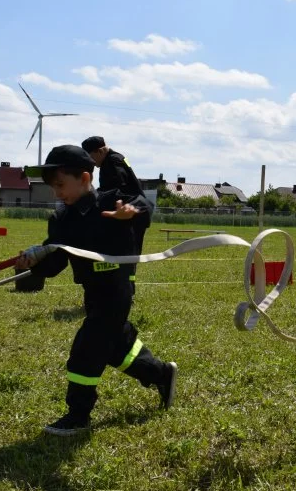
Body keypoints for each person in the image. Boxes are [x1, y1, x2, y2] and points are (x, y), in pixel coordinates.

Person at [18, 145, 177, 437]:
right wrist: (33, 264)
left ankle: (79, 415)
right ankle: (161, 373)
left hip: (117, 289)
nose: (57, 193)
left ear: (85, 178)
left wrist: (131, 212)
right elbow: (56, 263)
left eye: (61, 185)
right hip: (92, 292)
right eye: (53, 188)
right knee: (117, 348)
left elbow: (144, 204)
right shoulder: (61, 220)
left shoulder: (112, 201)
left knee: (87, 349)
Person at [81, 136, 152, 297]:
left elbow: (117, 190)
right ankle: (125, 291)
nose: (91, 163)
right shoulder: (117, 158)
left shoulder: (112, 162)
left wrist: (96, 198)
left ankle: (125, 292)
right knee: (128, 255)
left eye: (90, 157)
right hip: (132, 213)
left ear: (99, 151)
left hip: (130, 214)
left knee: (126, 255)